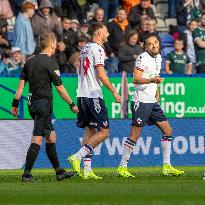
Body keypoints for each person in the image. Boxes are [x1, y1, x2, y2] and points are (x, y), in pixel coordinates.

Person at [11, 33, 79, 182]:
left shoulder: (29, 62)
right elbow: (60, 88)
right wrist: (72, 104)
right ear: (52, 44)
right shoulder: (50, 62)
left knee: (51, 136)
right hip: (43, 105)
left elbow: (20, 87)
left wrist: (15, 104)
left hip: (32, 104)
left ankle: (59, 172)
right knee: (37, 139)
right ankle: (26, 174)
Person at [117, 33, 185, 178]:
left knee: (167, 130)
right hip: (141, 101)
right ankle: (122, 166)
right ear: (145, 46)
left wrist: (157, 93)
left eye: (155, 42)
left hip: (152, 101)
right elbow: (136, 79)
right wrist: (152, 81)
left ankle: (167, 166)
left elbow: (155, 77)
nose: (154, 45)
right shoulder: (142, 58)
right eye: (150, 44)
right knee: (135, 135)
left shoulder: (159, 57)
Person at [67, 22, 121, 179]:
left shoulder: (84, 49)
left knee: (90, 131)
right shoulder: (98, 49)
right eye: (106, 31)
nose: (108, 34)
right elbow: (102, 75)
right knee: (104, 132)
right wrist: (114, 92)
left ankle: (87, 170)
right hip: (93, 95)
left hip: (82, 95)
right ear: (98, 33)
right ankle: (77, 156)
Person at [106, 8, 131, 73]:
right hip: (114, 54)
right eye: (118, 14)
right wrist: (110, 52)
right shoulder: (111, 24)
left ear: (125, 16)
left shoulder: (128, 26)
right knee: (113, 73)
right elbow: (105, 39)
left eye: (121, 14)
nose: (119, 15)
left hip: (125, 55)